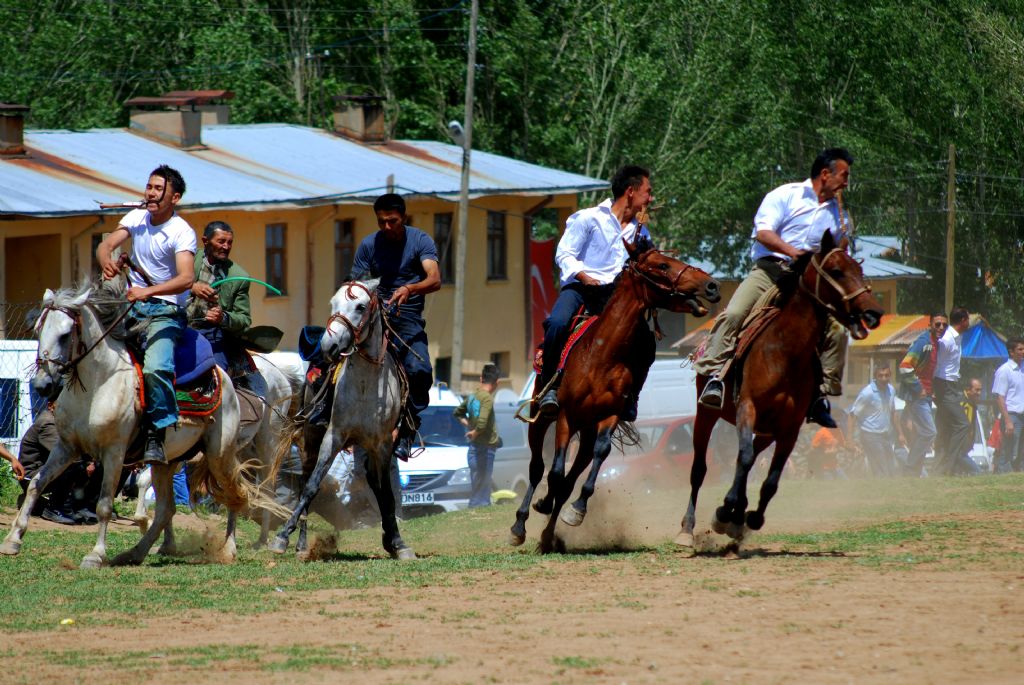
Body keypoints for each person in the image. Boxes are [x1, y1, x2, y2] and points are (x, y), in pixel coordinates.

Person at [695, 148, 855, 428]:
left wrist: (843, 245)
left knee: (838, 331)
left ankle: (821, 395)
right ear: (825, 174)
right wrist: (795, 253)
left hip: (808, 285)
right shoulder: (786, 195)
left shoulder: (839, 216)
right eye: (844, 176)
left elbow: (837, 255)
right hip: (770, 271)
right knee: (734, 314)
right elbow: (764, 233)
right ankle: (713, 378)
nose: (846, 183)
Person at [96, 164, 196, 465]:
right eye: (149, 187)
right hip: (132, 305)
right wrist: (106, 261)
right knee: (89, 342)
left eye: (157, 189)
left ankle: (158, 431)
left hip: (166, 311)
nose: (150, 193)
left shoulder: (182, 231)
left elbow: (186, 279)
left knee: (155, 368)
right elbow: (107, 244)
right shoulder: (137, 217)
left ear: (174, 197)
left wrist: (147, 292)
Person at [538, 164, 655, 418]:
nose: (651, 198)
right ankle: (549, 387)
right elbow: (565, 253)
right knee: (557, 323)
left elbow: (646, 267)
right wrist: (584, 275)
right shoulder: (589, 218)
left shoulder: (641, 232)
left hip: (614, 297)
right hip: (580, 287)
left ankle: (630, 397)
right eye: (648, 192)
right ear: (631, 191)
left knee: (646, 341)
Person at [350, 193, 441, 460]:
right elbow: (357, 283)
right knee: (330, 350)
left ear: (403, 217)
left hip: (407, 319)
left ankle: (408, 430)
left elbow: (434, 279)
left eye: (392, 221)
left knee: (421, 370)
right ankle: (321, 413)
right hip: (372, 316)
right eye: (381, 222)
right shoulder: (368, 245)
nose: (387, 227)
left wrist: (409, 288)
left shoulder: (420, 240)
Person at [186, 221, 252, 381]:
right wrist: (192, 287)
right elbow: (165, 282)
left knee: (218, 378)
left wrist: (223, 318)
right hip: (176, 323)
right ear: (205, 241)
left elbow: (244, 319)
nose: (226, 247)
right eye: (221, 241)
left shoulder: (240, 277)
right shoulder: (187, 258)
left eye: (229, 242)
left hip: (211, 335)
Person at [16, 403, 100, 524]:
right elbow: (65, 452)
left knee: (95, 464)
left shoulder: (62, 422)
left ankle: (77, 506)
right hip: (30, 476)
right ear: (51, 406)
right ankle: (54, 509)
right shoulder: (48, 422)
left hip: (44, 471)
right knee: (74, 464)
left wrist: (92, 460)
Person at [897, 312, 946, 476]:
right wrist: (919, 389)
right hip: (917, 397)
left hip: (924, 396)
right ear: (930, 324)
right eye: (937, 324)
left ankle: (914, 471)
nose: (941, 327)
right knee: (929, 432)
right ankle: (910, 468)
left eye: (944, 325)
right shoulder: (924, 342)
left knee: (922, 433)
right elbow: (904, 366)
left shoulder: (935, 343)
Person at [931, 306, 973, 476]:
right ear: (963, 321)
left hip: (950, 384)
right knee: (962, 424)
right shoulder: (947, 340)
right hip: (944, 385)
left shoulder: (957, 338)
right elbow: (937, 364)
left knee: (946, 427)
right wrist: (933, 388)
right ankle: (949, 465)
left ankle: (942, 469)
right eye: (968, 319)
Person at [454, 363, 502, 508]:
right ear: (497, 383)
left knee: (478, 484)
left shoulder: (472, 396)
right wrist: (475, 432)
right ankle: (479, 508)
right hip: (485, 449)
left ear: (481, 378)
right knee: (483, 488)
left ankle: (475, 508)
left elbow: (458, 412)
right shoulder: (487, 398)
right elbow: (482, 422)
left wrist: (468, 424)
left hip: (474, 449)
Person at [848, 364, 904, 477]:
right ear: (875, 376)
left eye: (886, 375)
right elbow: (853, 414)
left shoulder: (891, 390)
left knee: (891, 468)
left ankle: (886, 491)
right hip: (870, 435)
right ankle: (882, 492)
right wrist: (849, 439)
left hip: (886, 435)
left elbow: (893, 412)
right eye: (880, 376)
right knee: (881, 469)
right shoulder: (867, 393)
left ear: (890, 376)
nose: (884, 379)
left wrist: (901, 434)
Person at [992, 338, 1024, 473]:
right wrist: (1007, 420)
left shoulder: (1022, 369)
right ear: (1011, 352)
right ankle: (1002, 474)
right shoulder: (1004, 370)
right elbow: (1000, 396)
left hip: (1022, 414)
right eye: (1020, 349)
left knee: (1020, 449)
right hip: (1012, 415)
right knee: (1008, 449)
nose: (1023, 352)